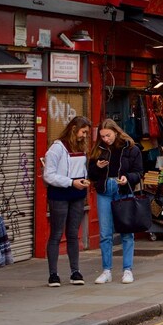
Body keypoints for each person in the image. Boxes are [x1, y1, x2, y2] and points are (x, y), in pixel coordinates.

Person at [88, 119, 144, 284]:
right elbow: (90, 175)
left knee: (127, 232)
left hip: (123, 191)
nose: (106, 139)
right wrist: (97, 166)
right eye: (103, 136)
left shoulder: (131, 148)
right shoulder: (98, 150)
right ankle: (106, 271)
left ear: (116, 132)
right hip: (104, 192)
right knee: (105, 234)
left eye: (108, 135)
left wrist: (128, 179)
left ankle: (127, 270)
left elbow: (139, 172)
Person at [43, 116, 93, 287]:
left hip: (78, 194)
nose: (85, 136)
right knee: (56, 234)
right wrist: (71, 182)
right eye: (83, 132)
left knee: (73, 234)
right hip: (59, 194)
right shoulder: (57, 148)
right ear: (73, 129)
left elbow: (81, 169)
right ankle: (53, 274)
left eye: (87, 133)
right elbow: (48, 175)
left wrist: (85, 180)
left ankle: (75, 272)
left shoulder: (80, 147)